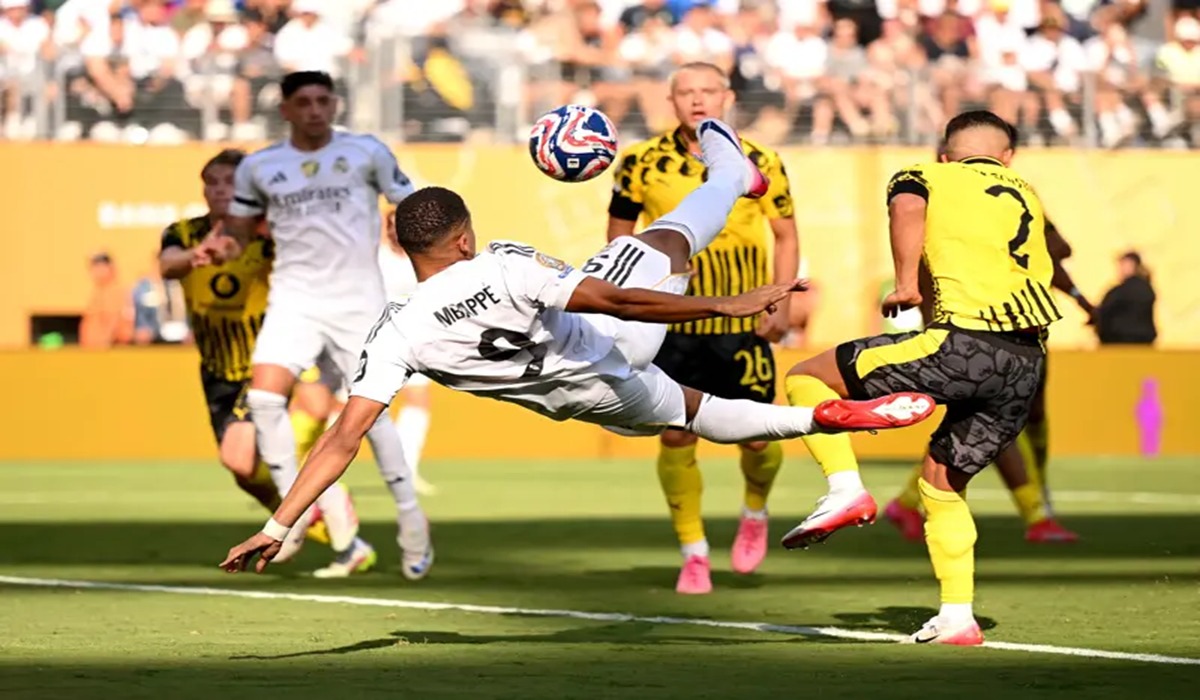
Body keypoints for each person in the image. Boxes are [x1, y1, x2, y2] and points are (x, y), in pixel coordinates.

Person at [219, 118, 936, 576]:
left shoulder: (396, 332)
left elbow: (344, 439)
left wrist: (280, 524)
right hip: (609, 334)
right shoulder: (500, 262)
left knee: (704, 415)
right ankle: (728, 172)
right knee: (660, 239)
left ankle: (821, 421)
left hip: (599, 398)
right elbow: (614, 298)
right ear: (463, 237)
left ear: (403, 248)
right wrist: (723, 302)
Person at [779, 111, 1061, 645]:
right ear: (1007, 157)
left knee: (805, 377)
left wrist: (906, 283)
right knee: (942, 485)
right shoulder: (1025, 192)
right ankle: (958, 617)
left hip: (961, 343)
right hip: (1026, 361)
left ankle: (845, 488)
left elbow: (907, 207)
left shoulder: (928, 174)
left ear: (945, 153)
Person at [196, 71, 431, 580]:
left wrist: (407, 232)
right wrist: (223, 245)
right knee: (263, 399)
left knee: (374, 415)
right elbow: (238, 229)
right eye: (303, 102)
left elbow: (407, 201)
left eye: (324, 101)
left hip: (358, 300)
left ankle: (412, 518)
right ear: (285, 110)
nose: (315, 110)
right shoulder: (261, 167)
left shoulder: (367, 151)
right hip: (295, 298)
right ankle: (293, 516)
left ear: (334, 104)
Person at [607, 61, 800, 595]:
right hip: (672, 323)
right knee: (673, 432)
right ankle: (693, 552)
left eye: (708, 91)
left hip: (742, 321)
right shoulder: (639, 163)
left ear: (728, 96)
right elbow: (617, 241)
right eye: (686, 92)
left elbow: (784, 235)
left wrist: (779, 304)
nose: (697, 100)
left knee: (759, 438)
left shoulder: (762, 160)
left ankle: (755, 511)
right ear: (670, 101)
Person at [159, 148, 374, 578]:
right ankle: (305, 514)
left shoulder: (267, 231)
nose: (220, 190)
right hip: (217, 368)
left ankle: (319, 521)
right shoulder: (184, 232)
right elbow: (168, 265)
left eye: (229, 182)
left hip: (267, 358)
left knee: (251, 454)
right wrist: (196, 256)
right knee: (242, 469)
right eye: (212, 182)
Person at [882, 149, 1096, 544]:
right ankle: (1036, 514)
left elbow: (1057, 251)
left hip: (981, 329)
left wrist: (1080, 298)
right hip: (981, 330)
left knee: (987, 423)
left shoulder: (943, 199)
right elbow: (1057, 248)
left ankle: (909, 502)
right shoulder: (982, 202)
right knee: (998, 424)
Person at [378, 214, 437, 496]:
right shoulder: (374, 257)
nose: (393, 232)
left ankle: (406, 472)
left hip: (411, 338)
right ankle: (307, 472)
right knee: (342, 409)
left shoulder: (421, 257)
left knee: (418, 401)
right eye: (389, 226)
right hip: (371, 339)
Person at [1096, 251, 1157, 345]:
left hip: (1118, 343)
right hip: (1145, 343)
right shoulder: (1147, 289)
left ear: (1131, 265)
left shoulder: (1119, 292)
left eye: (1122, 265)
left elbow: (1103, 314)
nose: (1119, 269)